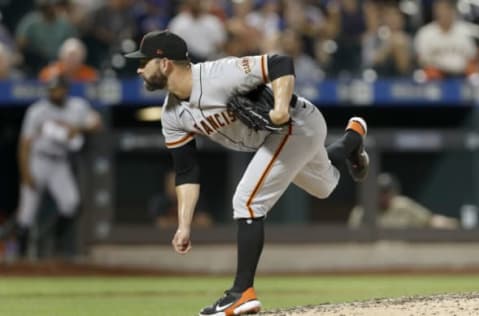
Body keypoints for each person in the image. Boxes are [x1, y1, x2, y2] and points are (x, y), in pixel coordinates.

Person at [125, 30, 369, 316]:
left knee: (247, 201)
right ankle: (353, 138)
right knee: (326, 186)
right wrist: (184, 225)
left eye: (145, 62)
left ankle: (241, 292)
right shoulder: (172, 115)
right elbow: (186, 170)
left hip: (295, 123)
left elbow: (280, 63)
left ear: (165, 63)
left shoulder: (219, 74)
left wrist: (279, 107)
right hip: (276, 138)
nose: (139, 68)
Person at [13, 75, 102, 258]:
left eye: (58, 89)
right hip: (37, 161)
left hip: (59, 163)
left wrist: (78, 128)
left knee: (71, 204)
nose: (55, 93)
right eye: (52, 90)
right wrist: (25, 173)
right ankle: (20, 258)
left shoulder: (77, 106)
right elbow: (24, 145)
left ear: (66, 90)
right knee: (27, 212)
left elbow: (97, 124)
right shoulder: (37, 111)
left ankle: (55, 242)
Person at [348, 172, 459, 229]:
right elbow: (351, 238)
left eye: (387, 191)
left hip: (402, 255)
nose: (384, 195)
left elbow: (430, 220)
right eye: (381, 192)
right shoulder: (362, 211)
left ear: (393, 192)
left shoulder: (403, 206)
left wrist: (453, 225)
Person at [414, 0, 478, 80]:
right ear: (435, 12)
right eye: (440, 9)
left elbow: (472, 57)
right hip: (435, 74)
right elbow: (421, 60)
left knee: (475, 77)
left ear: (453, 11)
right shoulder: (425, 33)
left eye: (447, 9)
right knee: (420, 76)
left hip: (463, 73)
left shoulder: (465, 31)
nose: (444, 13)